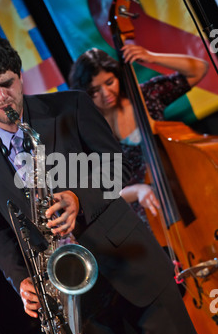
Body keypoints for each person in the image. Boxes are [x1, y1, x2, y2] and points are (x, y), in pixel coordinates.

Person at [0, 35, 218, 334]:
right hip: (71, 292)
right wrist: (20, 282)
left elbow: (114, 170)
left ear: (19, 76)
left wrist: (78, 197)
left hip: (130, 262)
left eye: (7, 84)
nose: (3, 98)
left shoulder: (72, 105)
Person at [69, 45, 208, 225]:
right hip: (144, 215)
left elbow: (198, 69)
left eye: (110, 82)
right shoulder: (88, 133)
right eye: (95, 91)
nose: (105, 94)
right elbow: (98, 192)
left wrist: (152, 57)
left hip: (186, 191)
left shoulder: (145, 96)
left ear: (118, 76)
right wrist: (136, 191)